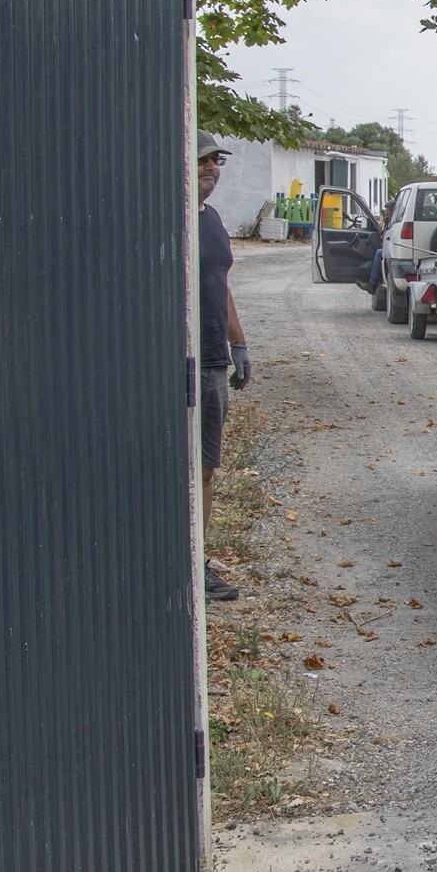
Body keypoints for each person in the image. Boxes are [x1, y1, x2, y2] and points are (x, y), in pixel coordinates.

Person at [196, 131, 252, 602]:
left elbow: (222, 285)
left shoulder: (212, 220)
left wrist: (239, 343)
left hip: (213, 361)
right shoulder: (166, 219)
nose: (212, 167)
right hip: (178, 362)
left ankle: (196, 561)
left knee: (206, 467)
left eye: (217, 160)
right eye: (203, 160)